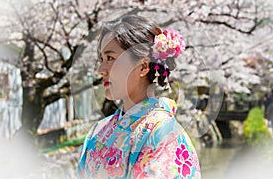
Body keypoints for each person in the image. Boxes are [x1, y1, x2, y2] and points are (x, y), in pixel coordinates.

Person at [77, 15, 201, 178]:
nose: (101, 69)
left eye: (110, 58)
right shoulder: (98, 131)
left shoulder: (164, 132)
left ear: (142, 67)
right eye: (101, 59)